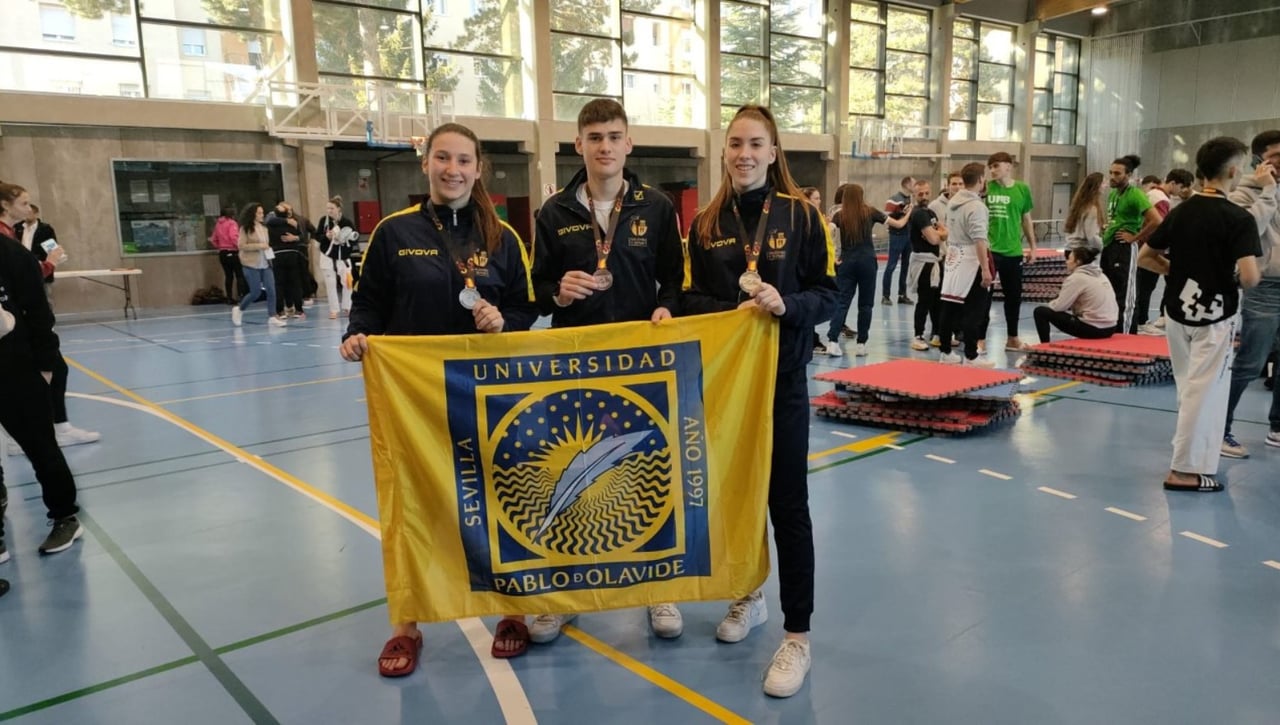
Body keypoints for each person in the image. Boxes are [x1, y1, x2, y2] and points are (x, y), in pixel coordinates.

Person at [340, 123, 538, 676]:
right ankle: (406, 622)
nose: (453, 169)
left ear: (479, 170)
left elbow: (526, 311)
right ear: (426, 163)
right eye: (443, 158)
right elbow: (369, 303)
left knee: (499, 502)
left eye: (464, 161)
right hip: (415, 400)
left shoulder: (503, 236)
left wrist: (506, 321)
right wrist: (356, 334)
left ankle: (512, 609)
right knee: (412, 506)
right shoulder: (392, 232)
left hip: (488, 398)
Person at [682, 104, 836, 698]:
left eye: (756, 144)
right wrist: (730, 312)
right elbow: (690, 297)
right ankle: (747, 597)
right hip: (722, 388)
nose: (744, 153)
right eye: (735, 144)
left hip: (783, 385)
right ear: (724, 152)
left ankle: (797, 636)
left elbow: (827, 295)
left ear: (774, 153)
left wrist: (785, 304)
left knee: (786, 506)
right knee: (733, 503)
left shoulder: (802, 216)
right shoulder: (705, 222)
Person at [527, 98, 686, 647]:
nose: (605, 146)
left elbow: (674, 279)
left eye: (614, 136)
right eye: (594, 137)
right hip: (575, 365)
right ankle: (562, 594)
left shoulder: (658, 207)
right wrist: (558, 293)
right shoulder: (553, 213)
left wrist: (668, 307)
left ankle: (657, 586)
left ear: (629, 143)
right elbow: (537, 290)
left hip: (643, 364)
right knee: (572, 477)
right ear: (578, 145)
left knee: (650, 473)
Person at [1138, 136, 1261, 492]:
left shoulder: (1181, 211)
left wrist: (1175, 271)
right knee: (1203, 392)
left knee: (1189, 389)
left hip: (1177, 313)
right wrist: (1226, 278)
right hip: (1215, 316)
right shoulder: (1237, 217)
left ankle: (1195, 459)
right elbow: (1250, 277)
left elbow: (1147, 257)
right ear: (1234, 171)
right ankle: (1184, 470)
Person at [0, 181, 85, 560]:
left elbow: (38, 314)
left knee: (41, 447)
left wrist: (46, 368)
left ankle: (65, 516)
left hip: (16, 367)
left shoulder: (13, 254)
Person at [1220, 130, 1280, 459]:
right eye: (1278, 156)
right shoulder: (1242, 194)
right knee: (1251, 362)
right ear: (1259, 160)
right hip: (1265, 285)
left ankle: (1278, 427)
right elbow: (1247, 234)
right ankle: (1221, 426)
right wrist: (1268, 192)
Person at [824, 183, 905, 357]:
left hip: (847, 261)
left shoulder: (839, 215)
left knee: (842, 302)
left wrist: (831, 256)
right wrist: (909, 213)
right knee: (866, 304)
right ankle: (861, 344)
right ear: (861, 196)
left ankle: (832, 341)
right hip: (867, 262)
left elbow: (828, 233)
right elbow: (898, 224)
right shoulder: (871, 211)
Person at [937, 163, 995, 367]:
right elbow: (980, 239)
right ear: (980, 180)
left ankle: (945, 351)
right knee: (974, 309)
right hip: (970, 259)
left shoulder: (953, 202)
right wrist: (986, 269)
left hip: (953, 256)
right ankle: (971, 355)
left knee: (949, 305)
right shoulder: (976, 206)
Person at [1101, 155, 1163, 333]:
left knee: (1125, 295)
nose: (1113, 176)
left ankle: (1126, 333)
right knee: (1110, 291)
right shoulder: (1113, 194)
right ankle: (1113, 330)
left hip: (1125, 248)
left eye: (1117, 173)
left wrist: (1134, 237)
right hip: (1110, 246)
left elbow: (1156, 220)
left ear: (1128, 175)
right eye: (1111, 172)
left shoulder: (1135, 194)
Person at [984, 152, 1038, 351]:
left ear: (1008, 166)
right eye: (990, 167)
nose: (992, 170)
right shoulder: (986, 189)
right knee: (985, 297)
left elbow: (1026, 219)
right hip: (991, 250)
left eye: (996, 166)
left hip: (1013, 252)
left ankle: (1012, 338)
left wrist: (1032, 247)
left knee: (1013, 297)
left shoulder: (1022, 189)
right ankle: (980, 339)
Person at [1032, 239, 1117, 343]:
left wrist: (1051, 304)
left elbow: (1059, 307)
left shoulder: (1076, 278)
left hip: (1094, 329)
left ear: (1078, 262)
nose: (1066, 262)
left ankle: (1044, 345)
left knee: (1040, 312)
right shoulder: (1101, 275)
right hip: (1111, 327)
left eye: (1069, 259)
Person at [905, 179, 948, 352]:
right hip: (924, 264)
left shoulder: (930, 212)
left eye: (926, 193)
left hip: (935, 262)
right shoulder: (919, 214)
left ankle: (937, 334)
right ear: (914, 195)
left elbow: (944, 232)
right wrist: (940, 234)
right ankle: (918, 335)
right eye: (920, 194)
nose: (923, 196)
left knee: (937, 301)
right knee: (924, 301)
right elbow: (934, 238)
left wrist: (940, 233)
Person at [231, 203, 287, 327]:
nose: (262, 215)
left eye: (262, 212)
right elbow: (241, 245)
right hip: (251, 264)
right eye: (259, 213)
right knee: (255, 292)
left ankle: (272, 316)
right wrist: (259, 246)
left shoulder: (264, 228)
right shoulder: (245, 228)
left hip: (265, 263)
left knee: (271, 289)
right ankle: (239, 309)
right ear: (253, 214)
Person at [316, 196, 356, 320]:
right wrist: (326, 237)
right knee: (330, 283)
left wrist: (344, 238)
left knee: (347, 283)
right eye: (327, 208)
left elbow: (354, 238)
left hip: (343, 257)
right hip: (327, 256)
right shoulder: (324, 221)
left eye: (332, 208)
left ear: (338, 209)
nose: (329, 211)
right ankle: (333, 310)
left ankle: (347, 306)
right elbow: (317, 236)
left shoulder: (347, 222)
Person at [267, 202, 307, 319]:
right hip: (292, 255)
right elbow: (302, 235)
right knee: (294, 283)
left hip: (278, 255)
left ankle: (280, 311)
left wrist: (295, 238)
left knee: (279, 283)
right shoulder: (292, 223)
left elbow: (301, 236)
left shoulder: (272, 225)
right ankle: (298, 309)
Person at [882, 176, 914, 305]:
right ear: (907, 185)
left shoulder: (911, 200)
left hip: (908, 235)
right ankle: (885, 295)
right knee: (891, 265)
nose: (916, 186)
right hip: (897, 235)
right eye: (914, 183)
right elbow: (886, 216)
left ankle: (902, 294)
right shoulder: (894, 199)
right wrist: (902, 212)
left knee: (906, 266)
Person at [14, 203, 56, 292]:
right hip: (21, 269)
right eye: (25, 213)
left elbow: (52, 250)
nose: (26, 215)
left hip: (40, 267)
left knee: (45, 298)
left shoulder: (45, 229)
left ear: (36, 214)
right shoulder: (17, 228)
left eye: (29, 213)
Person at [210, 205, 246, 303]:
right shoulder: (232, 223)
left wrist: (220, 246)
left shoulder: (218, 224)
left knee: (228, 275)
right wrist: (239, 247)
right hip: (233, 251)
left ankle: (229, 297)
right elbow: (233, 237)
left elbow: (213, 239)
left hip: (222, 253)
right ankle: (240, 296)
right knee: (239, 275)